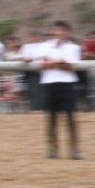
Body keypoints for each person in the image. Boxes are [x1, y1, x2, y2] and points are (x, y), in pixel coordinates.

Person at [35, 20, 82, 159]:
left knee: (71, 118)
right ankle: (52, 149)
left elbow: (70, 66)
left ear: (68, 32)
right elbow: (42, 65)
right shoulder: (44, 46)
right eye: (57, 30)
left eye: (63, 30)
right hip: (50, 83)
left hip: (67, 83)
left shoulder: (73, 47)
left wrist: (52, 62)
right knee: (51, 117)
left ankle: (74, 150)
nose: (59, 33)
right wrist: (59, 62)